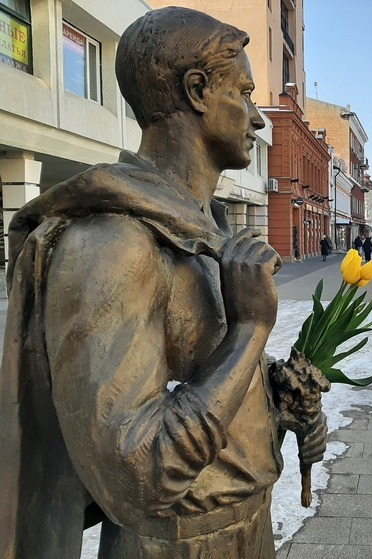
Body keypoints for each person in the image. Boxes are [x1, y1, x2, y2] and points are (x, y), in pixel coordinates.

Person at [0, 8, 328, 558]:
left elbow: (202, 374)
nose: (257, 118)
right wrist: (250, 329)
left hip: (247, 529)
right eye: (244, 94)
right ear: (197, 91)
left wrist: (276, 405)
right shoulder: (110, 244)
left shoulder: (209, 227)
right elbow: (137, 472)